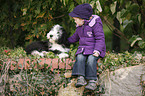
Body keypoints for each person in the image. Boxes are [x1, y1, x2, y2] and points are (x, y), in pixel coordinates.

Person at [67, 3, 106, 90]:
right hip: (84, 49)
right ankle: (81, 78)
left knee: (91, 60)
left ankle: (92, 81)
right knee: (80, 57)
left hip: (94, 49)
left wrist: (97, 50)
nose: (75, 21)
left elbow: (100, 38)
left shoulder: (95, 24)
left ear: (82, 19)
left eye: (76, 19)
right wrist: (66, 41)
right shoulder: (80, 27)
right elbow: (75, 37)